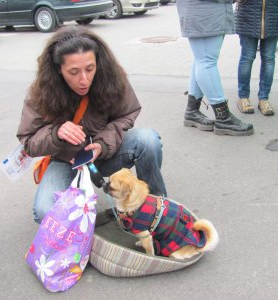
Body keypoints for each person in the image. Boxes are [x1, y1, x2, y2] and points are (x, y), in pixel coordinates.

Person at [16, 26, 167, 224]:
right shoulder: (41, 92)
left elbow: (128, 113)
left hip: (105, 154)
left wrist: (102, 144)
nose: (84, 80)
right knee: (45, 211)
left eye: (90, 68)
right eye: (73, 72)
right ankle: (80, 234)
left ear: (98, 63)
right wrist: (56, 133)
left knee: (148, 140)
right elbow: (28, 142)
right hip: (66, 161)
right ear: (58, 69)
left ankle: (157, 210)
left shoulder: (112, 78)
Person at [176, 0, 254, 136]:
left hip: (204, 13)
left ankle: (192, 111)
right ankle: (223, 118)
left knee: (201, 60)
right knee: (206, 62)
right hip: (204, 14)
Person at [235, 0, 278, 116]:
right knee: (247, 58)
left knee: (268, 59)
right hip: (247, 15)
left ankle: (264, 99)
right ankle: (243, 98)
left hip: (273, 15)